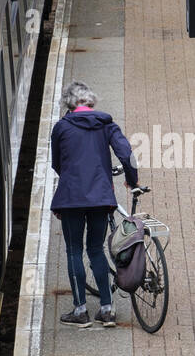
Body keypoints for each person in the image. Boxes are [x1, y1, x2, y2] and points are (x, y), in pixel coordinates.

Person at [51, 81, 138, 328]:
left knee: (73, 251)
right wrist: (132, 180)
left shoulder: (61, 127)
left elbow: (56, 163)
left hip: (71, 198)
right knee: (96, 249)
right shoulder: (106, 124)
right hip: (100, 197)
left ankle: (80, 311)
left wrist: (71, 177)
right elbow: (127, 154)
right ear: (91, 102)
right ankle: (107, 310)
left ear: (69, 103)